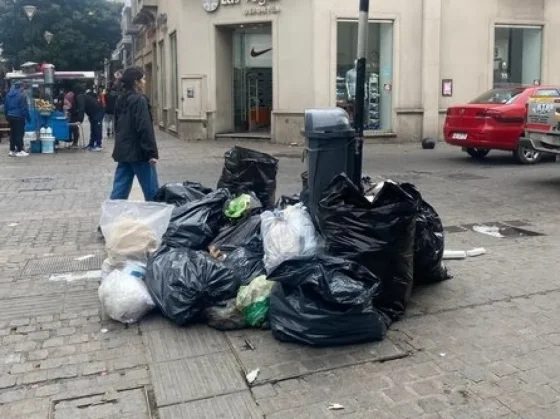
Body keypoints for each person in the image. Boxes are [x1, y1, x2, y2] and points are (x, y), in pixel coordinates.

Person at [109, 67, 159, 201]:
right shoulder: (140, 100)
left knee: (119, 190)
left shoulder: (121, 99)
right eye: (142, 78)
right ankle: (156, 218)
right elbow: (144, 127)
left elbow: (117, 126)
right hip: (139, 152)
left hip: (123, 152)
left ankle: (111, 217)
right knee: (152, 191)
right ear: (136, 82)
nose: (144, 81)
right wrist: (151, 153)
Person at [4, 81, 30, 157]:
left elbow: (5, 107)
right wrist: (28, 118)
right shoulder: (22, 96)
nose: (24, 89)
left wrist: (7, 116)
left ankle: (11, 151)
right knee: (19, 133)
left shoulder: (8, 95)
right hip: (19, 117)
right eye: (23, 87)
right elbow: (24, 109)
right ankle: (20, 150)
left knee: (13, 133)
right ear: (21, 87)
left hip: (10, 117)